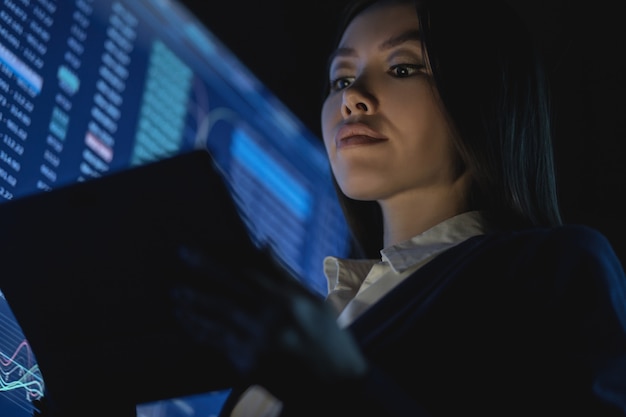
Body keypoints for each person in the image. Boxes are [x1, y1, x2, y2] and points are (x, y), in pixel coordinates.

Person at [172, 0, 626, 415]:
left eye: (403, 68)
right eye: (341, 79)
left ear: (485, 93)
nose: (352, 97)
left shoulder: (553, 268)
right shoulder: (328, 313)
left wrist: (341, 385)